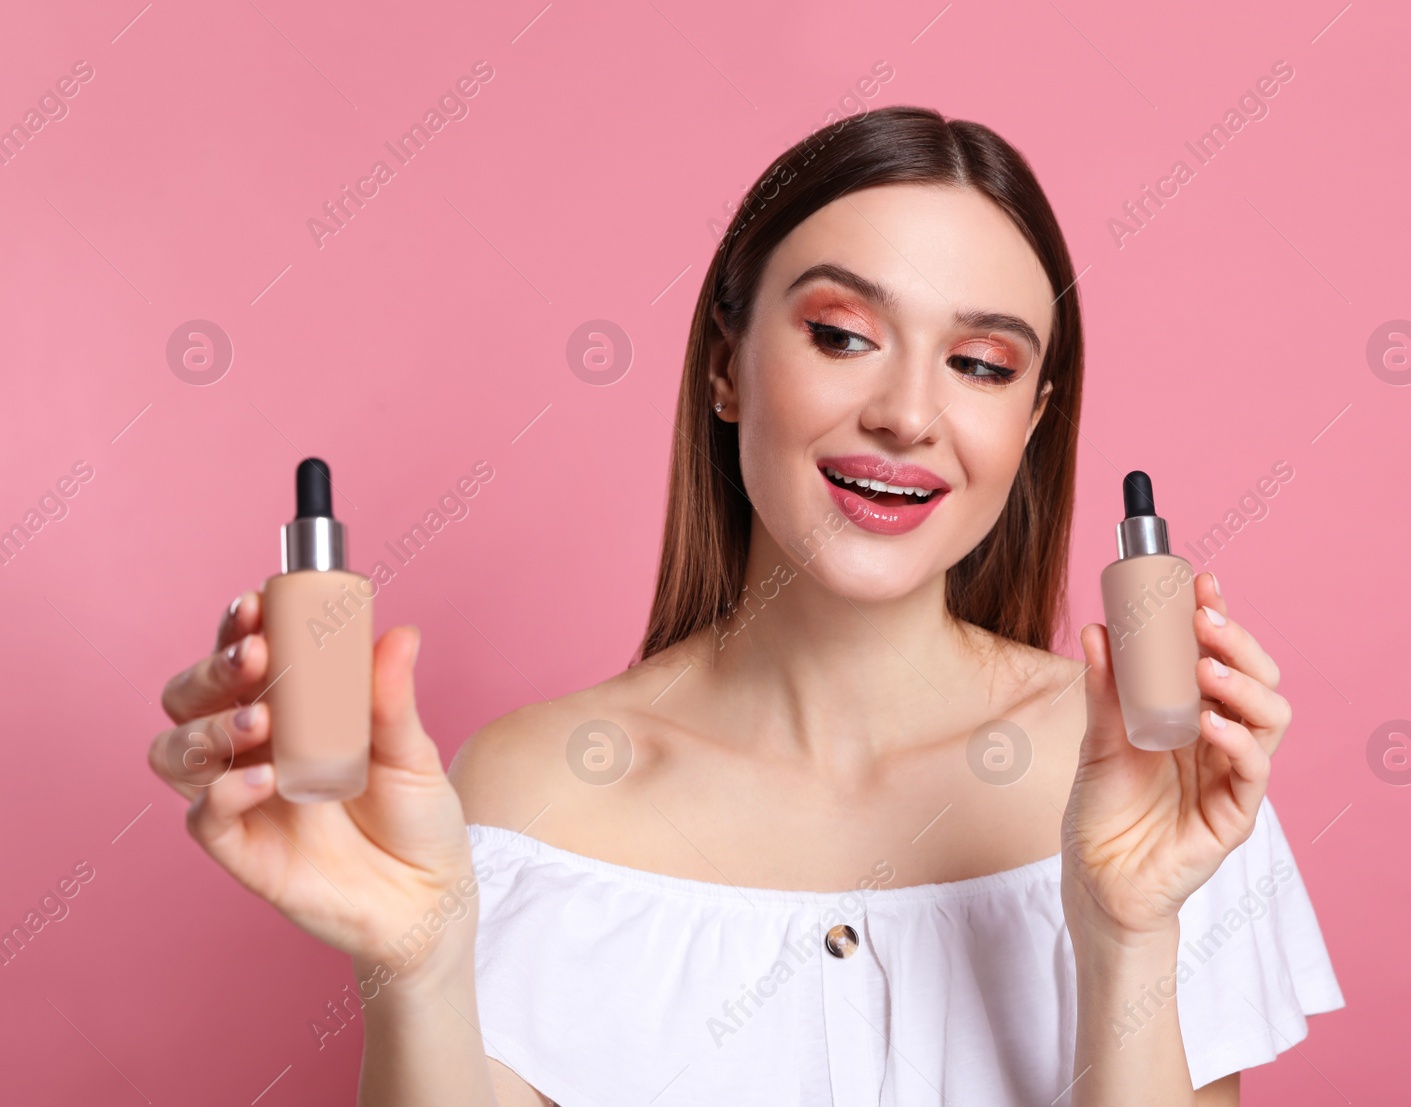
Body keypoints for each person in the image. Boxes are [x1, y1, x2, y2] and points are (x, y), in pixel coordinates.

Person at [148, 105, 1342, 1105]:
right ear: (725, 366)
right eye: (840, 334)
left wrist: (1128, 936)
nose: (907, 415)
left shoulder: (1154, 778)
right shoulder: (536, 797)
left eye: (980, 364)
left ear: (1031, 422)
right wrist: (413, 971)